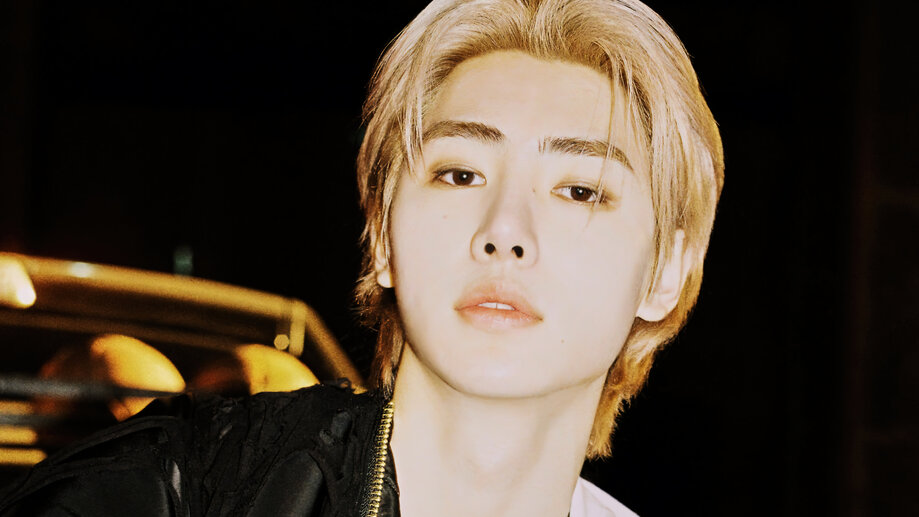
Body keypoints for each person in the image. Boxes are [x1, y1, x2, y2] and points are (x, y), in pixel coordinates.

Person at [0, 0, 722, 515]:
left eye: (579, 190)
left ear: (665, 271)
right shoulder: (173, 491)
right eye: (459, 173)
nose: (505, 230)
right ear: (381, 236)